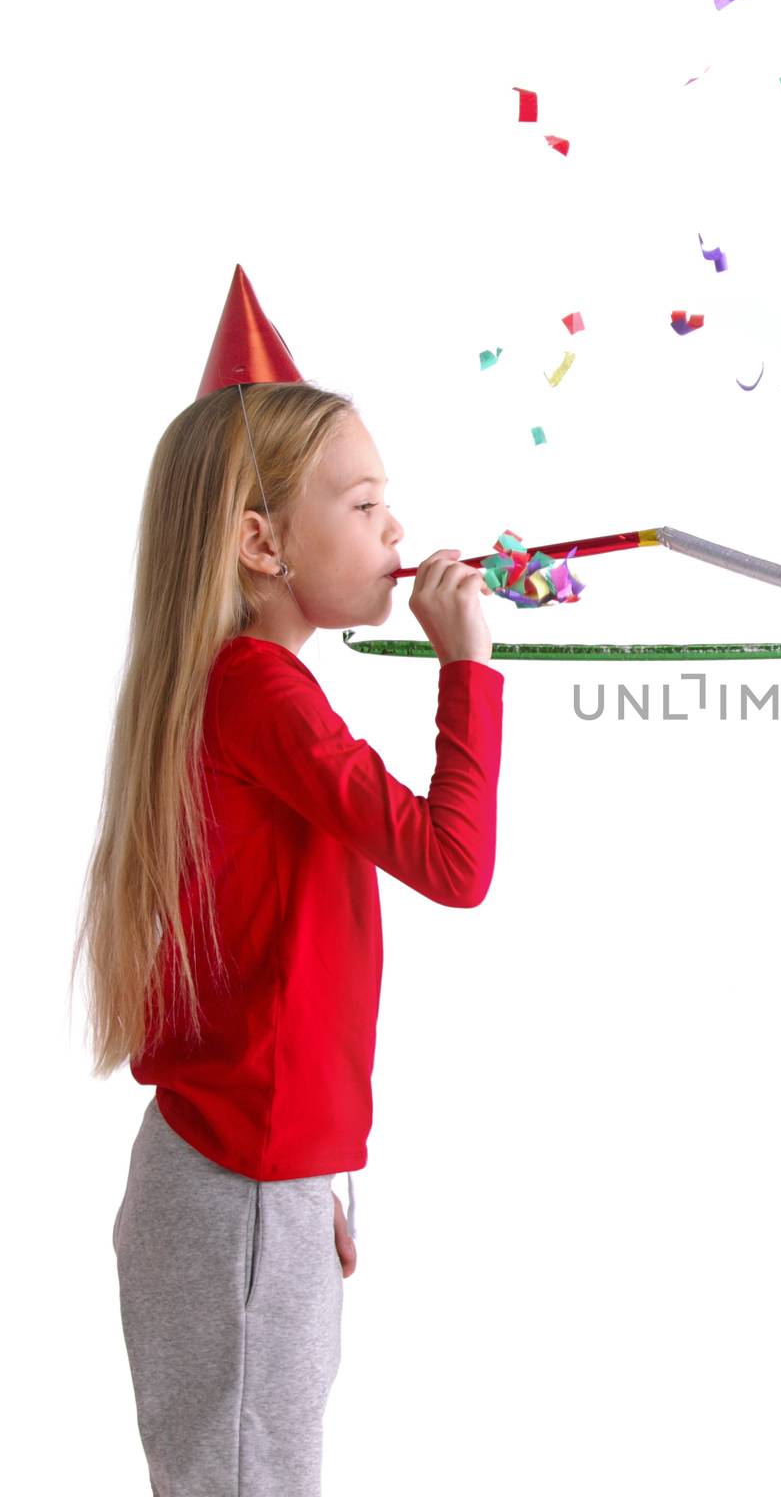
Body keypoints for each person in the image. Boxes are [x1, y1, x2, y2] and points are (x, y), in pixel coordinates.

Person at [71, 267, 504, 1496]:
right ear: (260, 542)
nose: (392, 535)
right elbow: (452, 862)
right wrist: (465, 669)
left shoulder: (254, 688)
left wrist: (319, 1177)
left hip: (257, 1183)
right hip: (241, 1196)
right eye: (363, 505)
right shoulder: (261, 692)